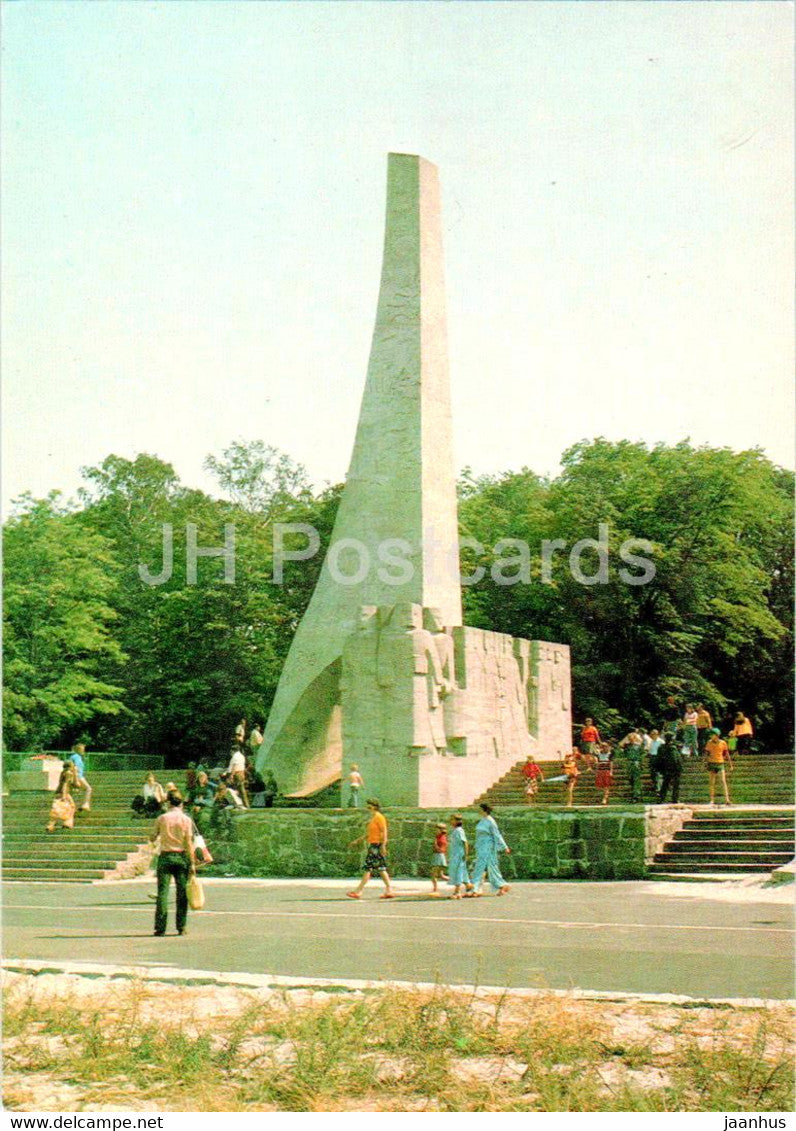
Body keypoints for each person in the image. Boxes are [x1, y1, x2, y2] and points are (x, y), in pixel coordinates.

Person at [149, 790, 196, 937]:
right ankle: (181, 927)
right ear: (181, 803)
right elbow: (188, 842)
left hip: (165, 856)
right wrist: (192, 862)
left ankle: (160, 928)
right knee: (182, 893)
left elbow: (152, 837)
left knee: (162, 893)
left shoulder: (162, 818)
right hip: (181, 857)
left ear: (168, 802)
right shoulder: (186, 820)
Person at [347, 799, 394, 899]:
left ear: (375, 806)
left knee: (369, 868)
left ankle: (358, 891)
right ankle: (389, 889)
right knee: (380, 868)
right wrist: (358, 840)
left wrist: (383, 845)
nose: (368, 807)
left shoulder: (379, 817)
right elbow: (370, 834)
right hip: (374, 844)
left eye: (370, 805)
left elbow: (384, 831)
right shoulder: (374, 818)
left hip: (376, 845)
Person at [471, 804, 511, 896]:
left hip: (488, 848)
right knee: (480, 868)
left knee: (490, 868)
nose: (478, 811)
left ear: (484, 810)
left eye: (480, 809)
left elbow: (497, 834)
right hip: (481, 847)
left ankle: (502, 885)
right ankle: (476, 888)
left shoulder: (490, 821)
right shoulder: (482, 820)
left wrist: (505, 847)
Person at [704, 728, 734, 805]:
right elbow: (706, 753)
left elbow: (727, 754)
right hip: (712, 763)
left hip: (720, 763)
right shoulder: (709, 743)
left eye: (712, 734)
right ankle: (712, 800)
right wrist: (704, 763)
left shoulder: (723, 743)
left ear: (717, 735)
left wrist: (730, 764)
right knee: (712, 782)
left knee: (723, 781)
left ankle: (727, 799)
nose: (711, 736)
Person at [447, 815, 474, 899]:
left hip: (459, 855)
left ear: (457, 821)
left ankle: (457, 892)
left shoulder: (459, 831)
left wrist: (465, 855)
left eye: (452, 820)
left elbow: (464, 842)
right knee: (462, 872)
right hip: (454, 854)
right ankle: (469, 886)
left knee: (457, 872)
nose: (450, 821)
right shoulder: (454, 831)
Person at [46, 763, 77, 832]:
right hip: (64, 793)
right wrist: (64, 795)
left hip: (60, 792)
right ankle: (67, 823)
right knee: (72, 807)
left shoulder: (64, 772)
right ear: (71, 766)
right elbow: (65, 784)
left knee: (57, 810)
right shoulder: (68, 773)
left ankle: (51, 825)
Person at [657, 734, 683, 804]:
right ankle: (673, 799)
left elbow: (659, 759)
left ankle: (663, 799)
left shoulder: (662, 747)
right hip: (672, 768)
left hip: (670, 768)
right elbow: (679, 758)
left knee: (666, 784)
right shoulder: (675, 746)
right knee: (671, 784)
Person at [618, 731, 644, 802]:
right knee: (631, 779)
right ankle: (637, 794)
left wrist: (640, 764)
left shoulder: (638, 746)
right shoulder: (627, 746)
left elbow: (642, 754)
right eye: (629, 738)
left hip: (636, 763)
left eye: (632, 738)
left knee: (636, 779)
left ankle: (636, 796)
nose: (630, 739)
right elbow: (620, 745)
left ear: (635, 738)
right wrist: (626, 738)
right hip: (629, 763)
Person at [67, 743, 92, 811]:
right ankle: (85, 804)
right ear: (79, 750)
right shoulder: (77, 757)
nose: (83, 751)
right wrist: (76, 779)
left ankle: (70, 807)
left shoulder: (72, 757)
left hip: (71, 776)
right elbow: (75, 768)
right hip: (78, 776)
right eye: (82, 750)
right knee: (88, 789)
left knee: (71, 793)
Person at [430, 823, 448, 895]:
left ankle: (435, 890)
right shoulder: (443, 836)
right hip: (441, 856)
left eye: (437, 829)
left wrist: (434, 843)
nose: (435, 830)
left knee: (433, 874)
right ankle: (457, 882)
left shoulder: (439, 837)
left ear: (440, 830)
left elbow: (437, 847)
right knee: (441, 875)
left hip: (437, 855)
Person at [647, 729, 665, 794]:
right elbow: (649, 751)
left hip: (659, 758)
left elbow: (664, 751)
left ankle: (659, 789)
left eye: (653, 734)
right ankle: (656, 787)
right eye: (651, 734)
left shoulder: (661, 742)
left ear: (657, 734)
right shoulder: (651, 742)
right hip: (652, 758)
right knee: (653, 774)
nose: (652, 735)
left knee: (658, 774)